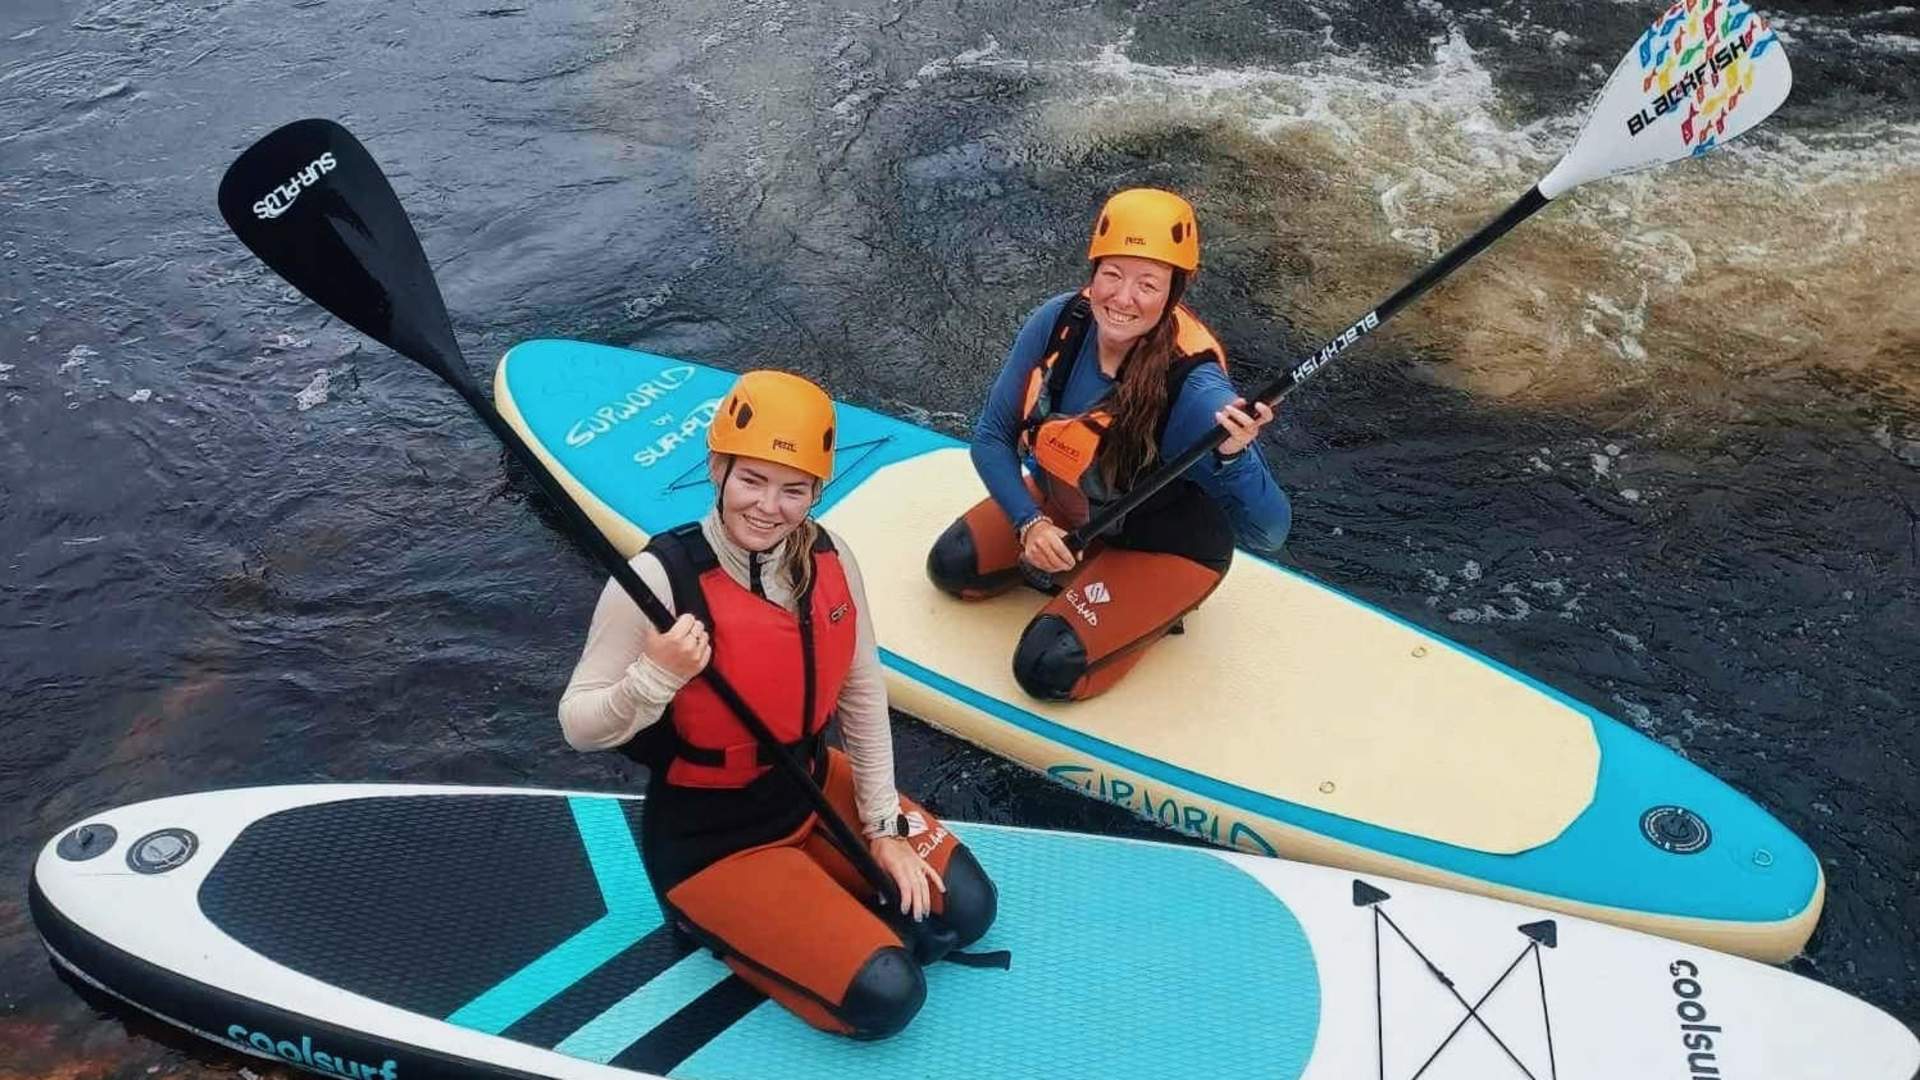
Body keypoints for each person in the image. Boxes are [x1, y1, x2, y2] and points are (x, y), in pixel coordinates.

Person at [559, 370, 997, 1040]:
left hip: (812, 785)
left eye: (794, 490)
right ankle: (712, 918)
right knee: (889, 993)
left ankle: (836, 887)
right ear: (718, 469)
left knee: (966, 909)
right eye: (751, 481)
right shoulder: (658, 579)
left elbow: (860, 689)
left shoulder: (832, 555)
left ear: (817, 492)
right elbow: (579, 725)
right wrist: (655, 674)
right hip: (716, 839)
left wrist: (883, 830)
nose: (769, 507)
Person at [926, 188, 1291, 701]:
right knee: (953, 566)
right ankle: (1086, 564)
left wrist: (1236, 456)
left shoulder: (1195, 391)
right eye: (1112, 274)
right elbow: (991, 436)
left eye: (1148, 283)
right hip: (1069, 510)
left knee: (1044, 667)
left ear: (1173, 293)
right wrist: (1029, 524)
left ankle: (1150, 597)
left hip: (1164, 545)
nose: (1122, 298)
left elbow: (1271, 532)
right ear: (1093, 273)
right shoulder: (1058, 322)